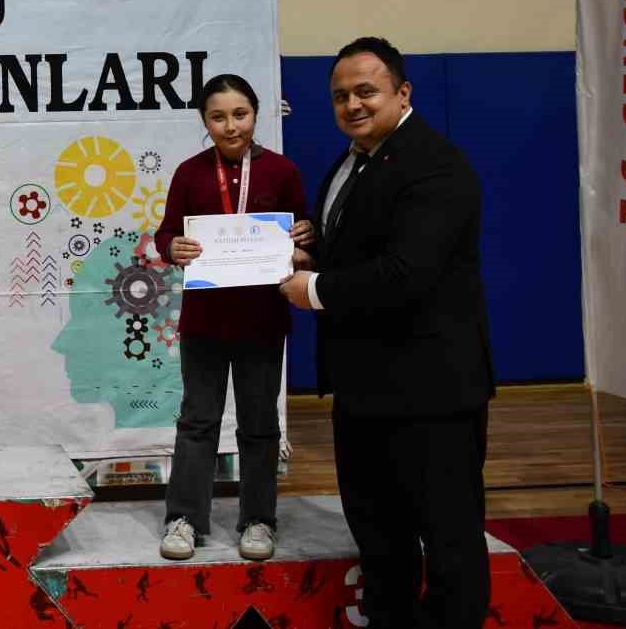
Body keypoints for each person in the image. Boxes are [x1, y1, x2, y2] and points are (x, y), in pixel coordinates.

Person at [279, 37, 494, 627]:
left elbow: (407, 272)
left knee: (450, 545)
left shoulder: (436, 165)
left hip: (432, 395)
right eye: (340, 95)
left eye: (366, 91)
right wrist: (313, 253)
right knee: (380, 542)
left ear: (403, 93)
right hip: (364, 392)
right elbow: (364, 250)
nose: (352, 104)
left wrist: (315, 289)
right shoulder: (352, 161)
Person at [152, 74, 314, 562]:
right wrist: (173, 248)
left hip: (263, 320)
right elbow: (166, 234)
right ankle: (185, 518)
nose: (230, 126)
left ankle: (259, 519)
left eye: (239, 114)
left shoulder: (282, 171)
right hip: (204, 321)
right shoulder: (189, 173)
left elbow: (303, 235)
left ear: (256, 114)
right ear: (205, 121)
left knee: (260, 424)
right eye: (218, 117)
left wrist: (306, 240)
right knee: (197, 422)